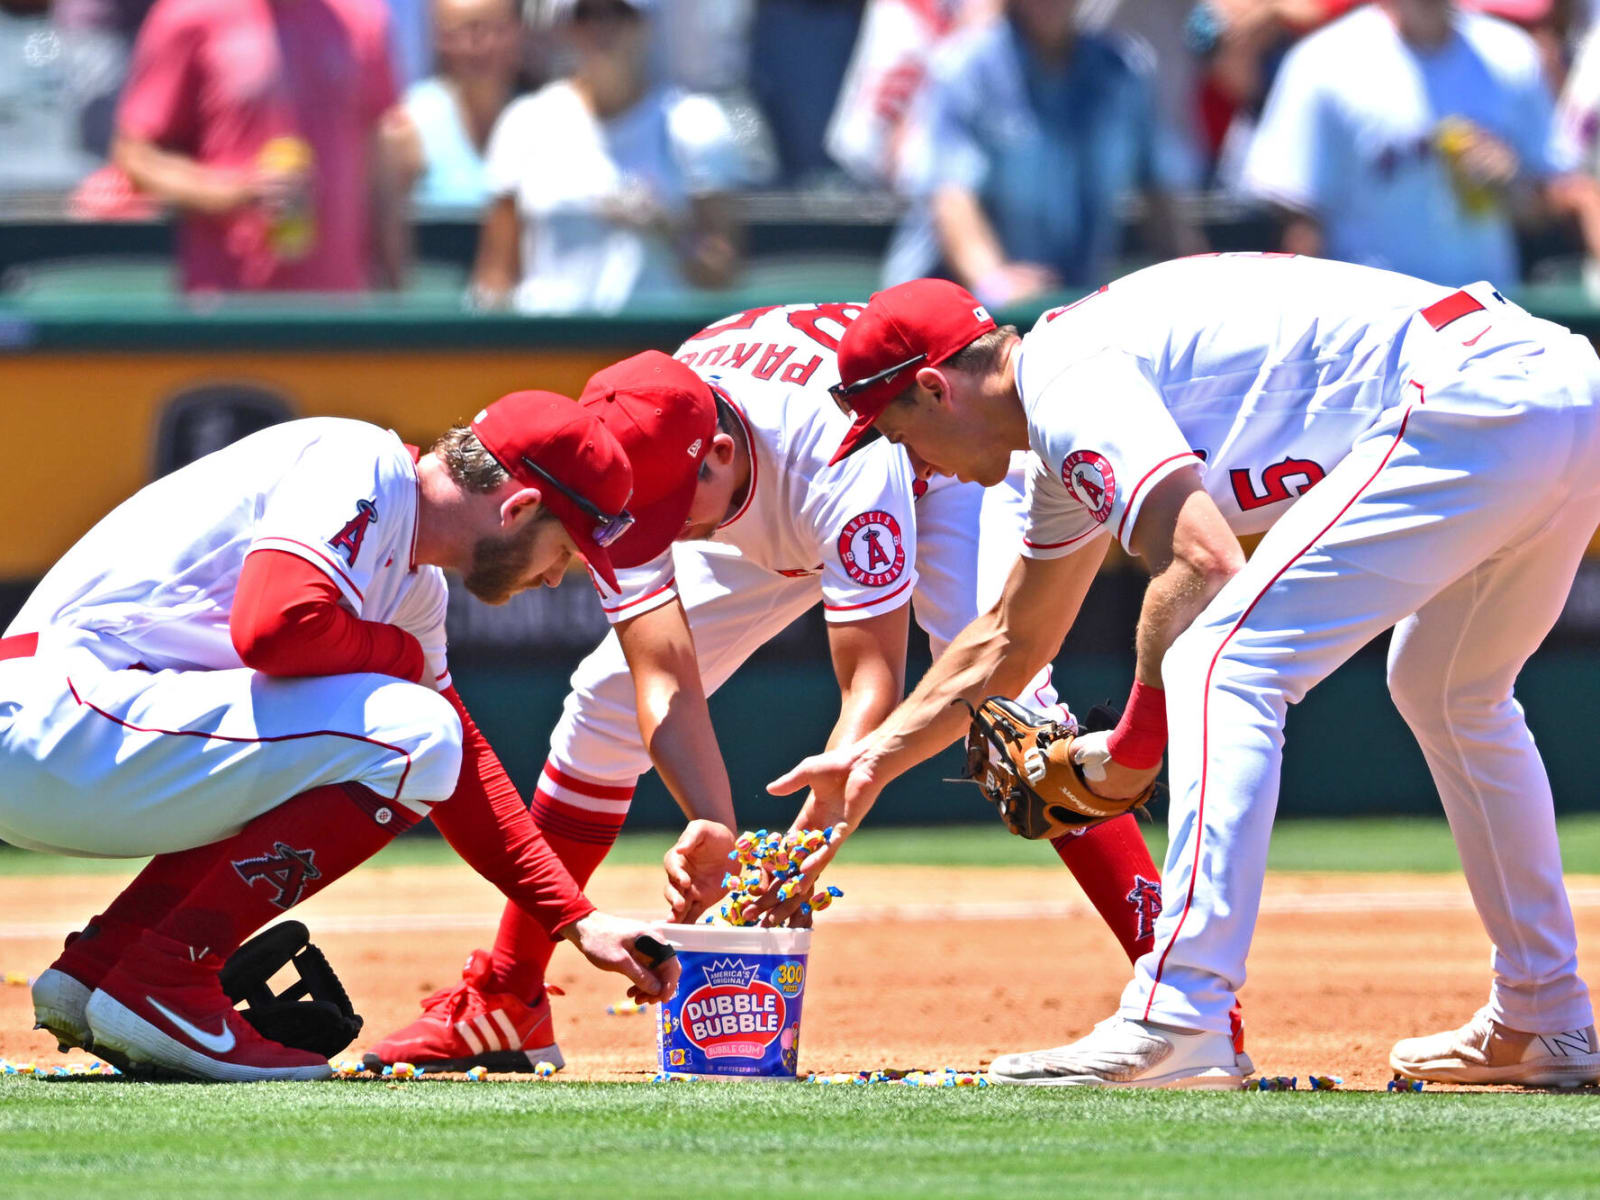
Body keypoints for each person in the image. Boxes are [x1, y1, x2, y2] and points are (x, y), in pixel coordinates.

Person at [769, 256, 1600, 1089]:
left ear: (935, 388)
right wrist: (874, 759)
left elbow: (1204, 565)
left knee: (1224, 662)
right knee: (1449, 689)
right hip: (1555, 390)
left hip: (1475, 395)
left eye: (895, 431)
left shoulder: (1070, 381)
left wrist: (1133, 744)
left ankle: (1181, 1015)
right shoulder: (1061, 426)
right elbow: (1010, 641)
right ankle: (1542, 1013)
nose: (913, 466)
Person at [361, 302, 1190, 1074]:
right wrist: (712, 821)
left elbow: (872, 676)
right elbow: (662, 675)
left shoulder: (835, 463)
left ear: (718, 455)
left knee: (1008, 701)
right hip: (751, 503)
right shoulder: (631, 465)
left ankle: (1177, 992)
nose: (656, 535)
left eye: (666, 514)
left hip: (920, 470)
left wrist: (801, 848)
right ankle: (508, 996)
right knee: (603, 704)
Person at [2, 383, 709, 1081]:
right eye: (566, 550)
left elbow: (456, 766)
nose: (559, 578)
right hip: (60, 714)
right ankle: (165, 981)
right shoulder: (359, 461)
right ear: (520, 507)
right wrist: (400, 661)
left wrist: (575, 919)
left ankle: (104, 966)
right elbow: (275, 628)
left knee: (419, 737)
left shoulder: (412, 584)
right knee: (415, 731)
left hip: (78, 736)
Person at [1241, 0, 1592, 286]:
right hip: (1373, 329)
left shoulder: (1509, 53)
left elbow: (1556, 196)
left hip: (1487, 322)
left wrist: (1513, 182)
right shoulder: (1323, 61)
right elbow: (1296, 219)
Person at [883, 0, 1203, 306]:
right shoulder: (963, 66)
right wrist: (994, 281)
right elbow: (951, 200)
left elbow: (1161, 200)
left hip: (1073, 309)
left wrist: (1199, 282)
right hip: (953, 322)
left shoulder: (1123, 68)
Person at [113, 0, 417, 292]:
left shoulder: (363, 18)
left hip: (337, 310)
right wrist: (234, 192)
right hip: (225, 310)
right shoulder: (187, 14)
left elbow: (381, 154)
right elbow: (135, 155)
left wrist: (395, 282)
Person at [470, 0, 744, 313]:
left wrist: (669, 232)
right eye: (585, 14)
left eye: (618, 12)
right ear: (566, 28)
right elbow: (495, 274)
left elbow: (723, 276)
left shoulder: (697, 123)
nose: (602, 27)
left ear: (645, 24)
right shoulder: (525, 121)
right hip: (547, 353)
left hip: (655, 349)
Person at [403, 0, 523, 210]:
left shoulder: (544, 120)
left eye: (493, 29)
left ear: (517, 32)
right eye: (462, 32)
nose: (478, 46)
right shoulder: (411, 122)